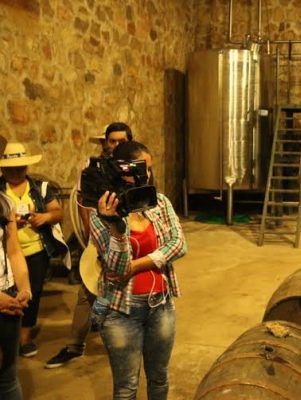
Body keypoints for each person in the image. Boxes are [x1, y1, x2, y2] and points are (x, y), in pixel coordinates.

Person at [89, 141, 187, 399]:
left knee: (159, 379)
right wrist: (116, 229)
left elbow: (179, 245)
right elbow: (117, 267)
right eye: (142, 169)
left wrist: (137, 264)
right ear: (122, 170)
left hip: (161, 305)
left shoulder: (159, 202)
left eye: (150, 169)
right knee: (126, 387)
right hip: (121, 311)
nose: (148, 176)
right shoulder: (100, 213)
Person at [45, 121, 133, 369]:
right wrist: (91, 239)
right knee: (87, 290)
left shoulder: (136, 165)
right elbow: (85, 204)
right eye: (112, 140)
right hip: (100, 235)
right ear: (106, 142)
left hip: (130, 238)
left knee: (130, 291)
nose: (115, 145)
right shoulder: (91, 168)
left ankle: (130, 343)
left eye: (121, 141)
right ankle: (75, 345)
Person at [0, 142, 66, 358]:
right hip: (7, 253)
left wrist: (44, 217)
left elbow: (57, 212)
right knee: (7, 294)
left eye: (21, 168)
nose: (16, 172)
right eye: (11, 168)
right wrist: (11, 224)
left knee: (32, 294)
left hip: (36, 250)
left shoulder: (40, 187)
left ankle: (24, 338)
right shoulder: (2, 191)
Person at [0, 139, 32, 400]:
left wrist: (24, 288)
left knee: (8, 376)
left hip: (7, 294)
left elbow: (13, 250)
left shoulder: (3, 203)